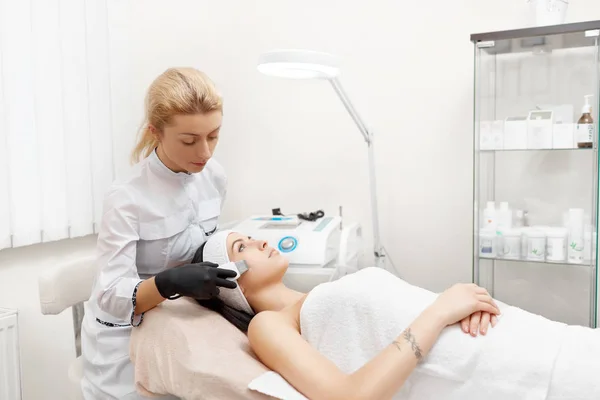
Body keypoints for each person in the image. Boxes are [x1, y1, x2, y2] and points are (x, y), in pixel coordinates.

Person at [194, 229, 600, 400]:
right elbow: (350, 398)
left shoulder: (325, 288)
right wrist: (441, 311)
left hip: (506, 336)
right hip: (492, 372)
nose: (259, 241)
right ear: (229, 281)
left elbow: (405, 309)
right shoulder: (271, 325)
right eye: (241, 247)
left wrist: (469, 301)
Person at [80, 67, 238, 400]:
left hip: (181, 321)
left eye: (214, 135)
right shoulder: (127, 197)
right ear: (156, 132)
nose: (206, 152)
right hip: (124, 337)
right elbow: (109, 293)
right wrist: (169, 283)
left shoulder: (214, 177)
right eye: (189, 140)